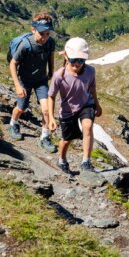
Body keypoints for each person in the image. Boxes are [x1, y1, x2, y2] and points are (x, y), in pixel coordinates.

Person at [48, 37, 102, 176]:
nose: (77, 63)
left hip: (86, 104)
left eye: (81, 60)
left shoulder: (90, 71)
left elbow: (92, 88)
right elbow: (51, 96)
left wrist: (97, 104)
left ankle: (86, 161)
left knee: (88, 126)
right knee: (67, 140)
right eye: (73, 60)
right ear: (65, 56)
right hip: (68, 110)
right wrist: (51, 118)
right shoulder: (59, 75)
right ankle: (62, 160)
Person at [7, 13, 57, 153]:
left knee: (47, 110)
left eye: (47, 33)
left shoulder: (50, 42)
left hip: (41, 81)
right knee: (21, 108)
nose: (45, 37)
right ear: (33, 29)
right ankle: (13, 123)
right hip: (25, 81)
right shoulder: (26, 44)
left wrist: (51, 72)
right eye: (42, 33)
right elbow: (13, 64)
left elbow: (51, 56)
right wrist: (17, 85)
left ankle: (45, 137)